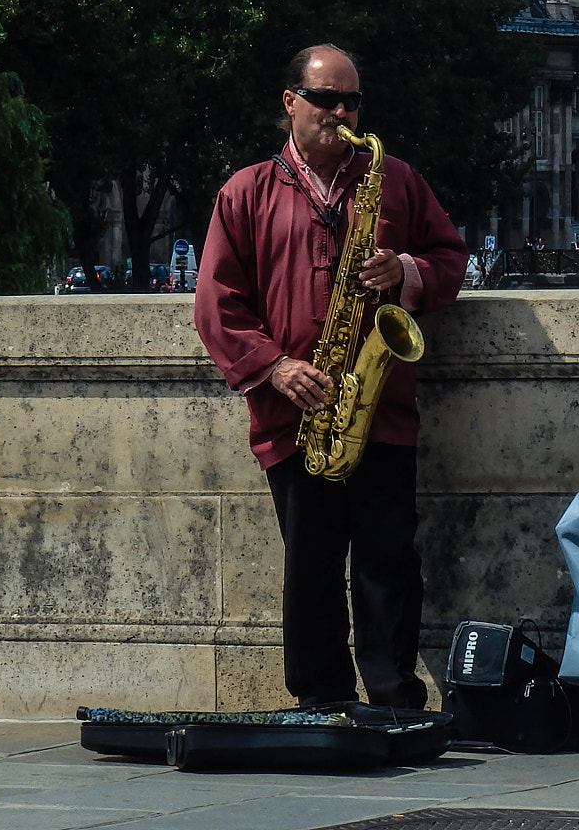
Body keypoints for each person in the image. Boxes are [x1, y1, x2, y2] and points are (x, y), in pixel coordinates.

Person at [193, 44, 466, 713]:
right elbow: (216, 303)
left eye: (352, 101)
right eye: (326, 100)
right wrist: (276, 367)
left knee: (388, 564)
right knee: (310, 569)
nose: (341, 114)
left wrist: (405, 272)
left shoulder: (393, 179)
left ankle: (395, 699)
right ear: (291, 102)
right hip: (297, 413)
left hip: (382, 408)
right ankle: (320, 699)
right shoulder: (246, 191)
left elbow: (450, 258)